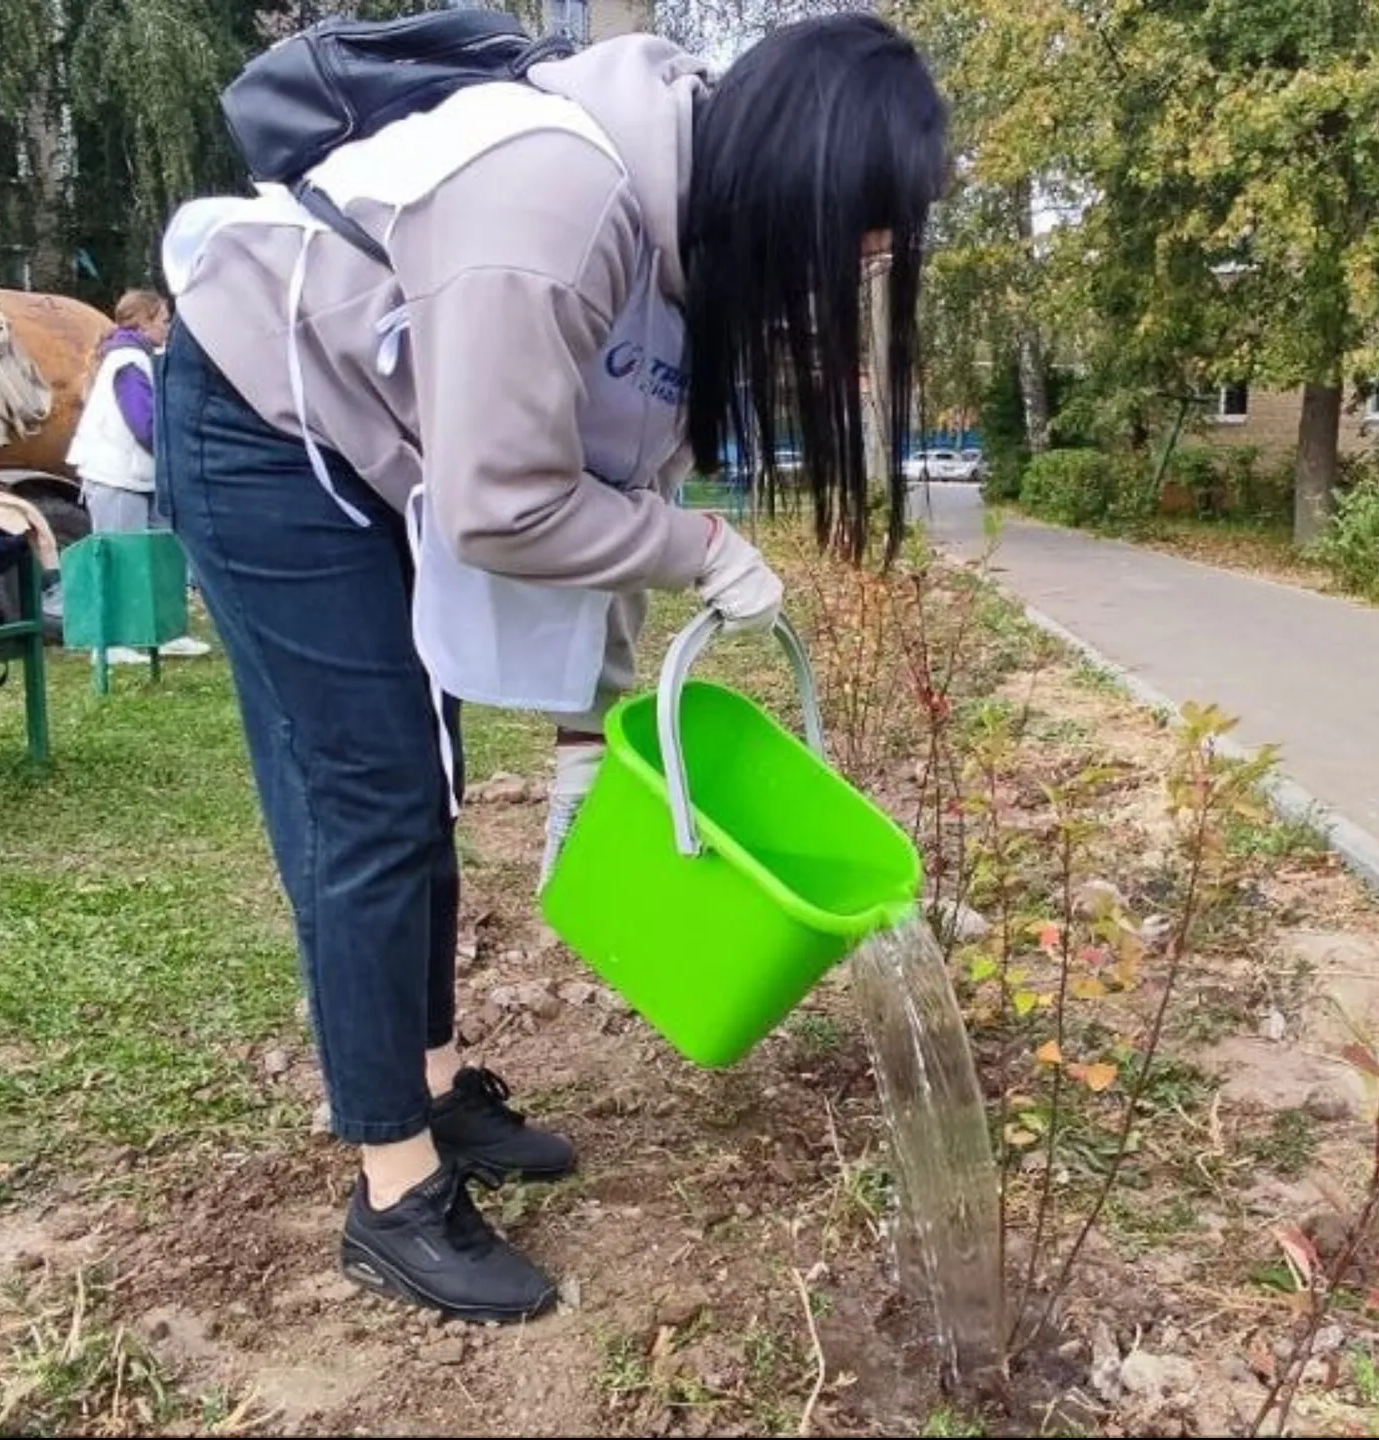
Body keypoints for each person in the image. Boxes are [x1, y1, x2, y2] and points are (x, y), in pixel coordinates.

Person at [153, 13, 948, 1324]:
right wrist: (699, 550)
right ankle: (393, 1192)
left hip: (388, 442)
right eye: (851, 244)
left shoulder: (687, 257)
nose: (842, 279)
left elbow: (613, 490)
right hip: (265, 422)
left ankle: (434, 1090)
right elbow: (506, 508)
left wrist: (591, 736)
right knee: (374, 800)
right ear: (795, 182)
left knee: (422, 789)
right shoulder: (555, 205)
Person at [64, 289, 210, 662]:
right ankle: (111, 644)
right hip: (116, 474)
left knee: (163, 553)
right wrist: (178, 451)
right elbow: (144, 422)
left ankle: (166, 633)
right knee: (119, 558)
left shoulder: (139, 358)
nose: (168, 328)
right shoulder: (127, 361)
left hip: (141, 473)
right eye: (164, 321)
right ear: (143, 323)